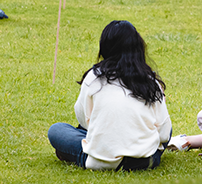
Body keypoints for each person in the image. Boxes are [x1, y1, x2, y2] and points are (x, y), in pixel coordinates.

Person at [47, 21, 171, 170]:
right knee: (165, 128)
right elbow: (164, 133)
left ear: (105, 47)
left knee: (57, 130)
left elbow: (83, 118)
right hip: (144, 160)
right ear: (138, 47)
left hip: (101, 160)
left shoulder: (94, 77)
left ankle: (84, 153)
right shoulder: (150, 81)